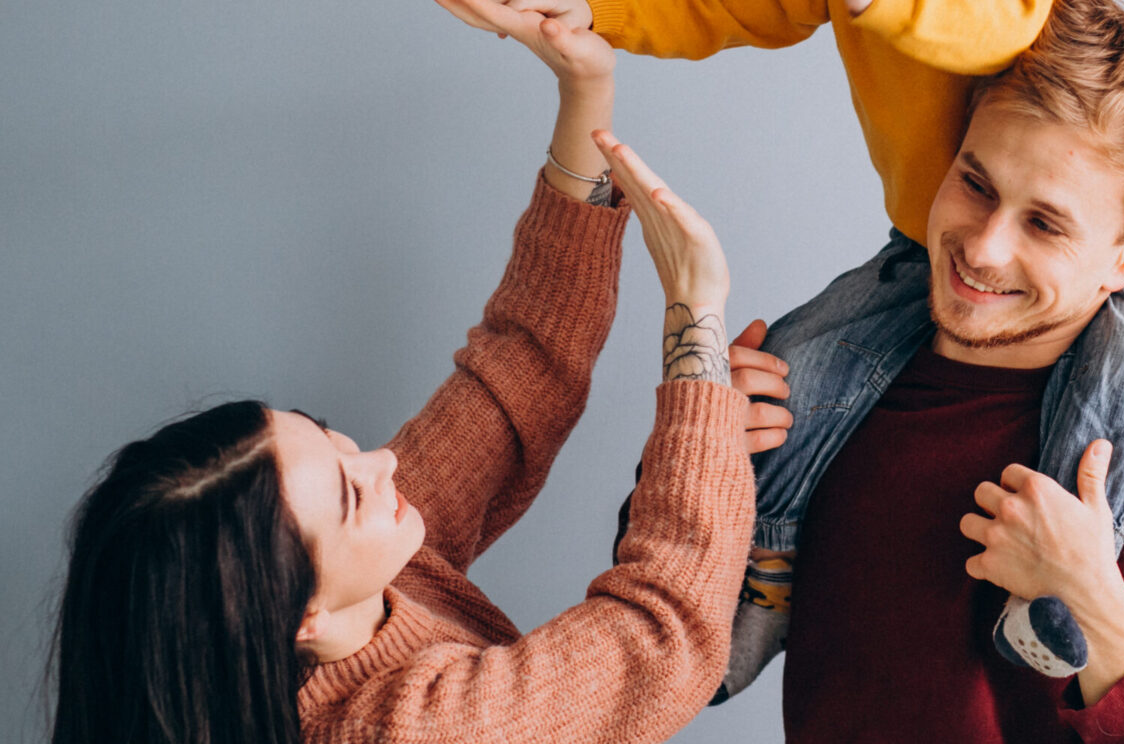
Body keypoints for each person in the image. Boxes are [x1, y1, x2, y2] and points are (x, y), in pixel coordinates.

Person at [47, 18, 793, 744]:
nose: (382, 462)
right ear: (300, 616)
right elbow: (659, 637)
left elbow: (519, 372)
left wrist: (584, 90)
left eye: (332, 439)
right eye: (348, 493)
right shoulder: (412, 731)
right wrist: (694, 318)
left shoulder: (363, 578)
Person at [438, 0, 1124, 697]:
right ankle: (760, 585)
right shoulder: (875, 381)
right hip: (918, 241)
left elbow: (1007, 20)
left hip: (1057, 302)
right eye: (978, 184)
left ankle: (1051, 597)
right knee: (786, 371)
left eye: (1045, 224)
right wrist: (700, 464)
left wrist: (1099, 607)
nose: (991, 245)